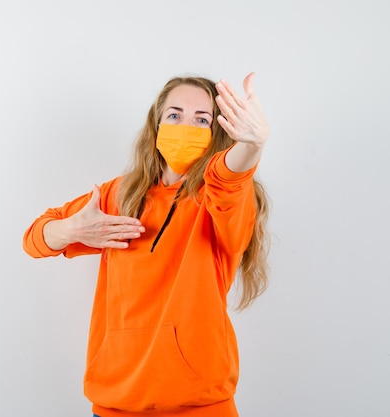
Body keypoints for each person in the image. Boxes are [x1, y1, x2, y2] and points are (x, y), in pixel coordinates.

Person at [22, 72, 270, 417]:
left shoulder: (220, 199)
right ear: (156, 125)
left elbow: (230, 178)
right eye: (175, 115)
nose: (187, 126)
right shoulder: (118, 194)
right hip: (114, 403)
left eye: (202, 119)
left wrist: (252, 145)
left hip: (199, 405)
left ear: (218, 133)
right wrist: (71, 230)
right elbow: (35, 239)